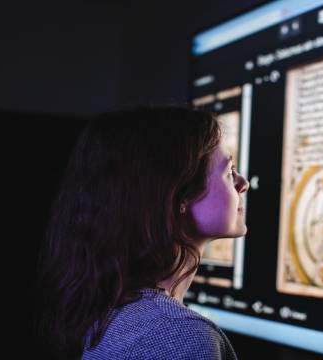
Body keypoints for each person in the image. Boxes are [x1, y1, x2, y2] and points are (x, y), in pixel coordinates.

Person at [35, 106, 248, 359]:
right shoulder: (178, 335)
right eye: (229, 172)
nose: (243, 183)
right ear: (177, 195)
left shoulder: (110, 310)